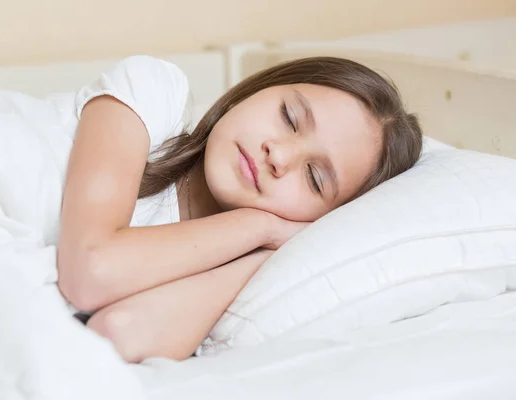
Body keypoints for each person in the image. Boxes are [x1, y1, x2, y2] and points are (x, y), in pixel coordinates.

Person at [56, 55, 423, 363]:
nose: (278, 154)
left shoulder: (228, 272)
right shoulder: (154, 91)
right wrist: (261, 225)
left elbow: (118, 334)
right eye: (289, 117)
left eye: (314, 178)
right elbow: (91, 273)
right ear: (257, 90)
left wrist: (267, 248)